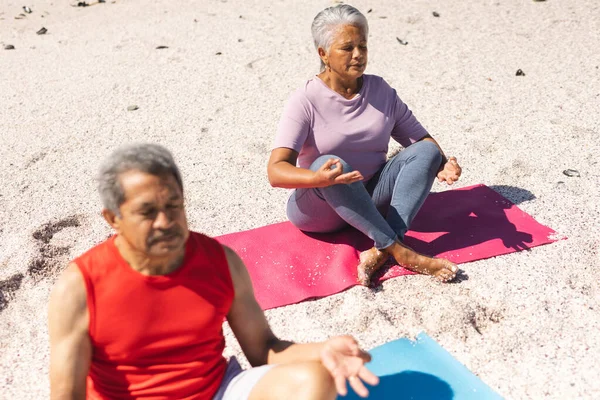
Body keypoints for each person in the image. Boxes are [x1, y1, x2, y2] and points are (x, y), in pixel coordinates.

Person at [48, 144, 379, 400]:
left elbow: (264, 348)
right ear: (113, 219)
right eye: (147, 212)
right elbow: (67, 395)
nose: (165, 222)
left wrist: (320, 350)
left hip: (216, 390)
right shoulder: (81, 286)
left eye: (173, 206)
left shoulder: (219, 261)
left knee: (313, 380)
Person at [267, 4, 462, 285]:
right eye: (347, 48)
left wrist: (443, 163)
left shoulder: (381, 90)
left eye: (363, 46)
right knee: (330, 164)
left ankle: (386, 243)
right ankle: (399, 250)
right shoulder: (305, 100)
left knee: (428, 152)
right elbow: (276, 171)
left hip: (371, 199)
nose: (358, 54)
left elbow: (421, 141)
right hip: (319, 209)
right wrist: (317, 177)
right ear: (323, 54)